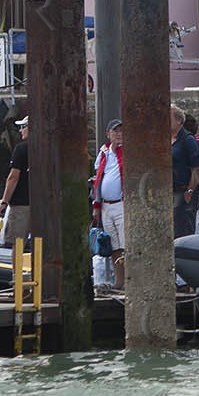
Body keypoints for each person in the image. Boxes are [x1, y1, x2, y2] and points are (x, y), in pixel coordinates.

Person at [92, 119, 127, 286]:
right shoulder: (103, 153)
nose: (119, 134)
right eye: (115, 131)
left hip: (121, 203)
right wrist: (96, 205)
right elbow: (98, 179)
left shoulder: (127, 152)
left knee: (125, 243)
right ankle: (119, 281)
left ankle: (128, 280)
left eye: (121, 131)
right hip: (106, 205)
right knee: (114, 245)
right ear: (108, 134)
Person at [0, 116, 31, 246]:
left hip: (21, 204)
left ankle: (17, 266)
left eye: (23, 127)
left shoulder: (21, 149)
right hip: (44, 204)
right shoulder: (48, 148)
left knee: (15, 244)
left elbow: (13, 177)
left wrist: (4, 202)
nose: (20, 131)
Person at [171, 105, 199, 238]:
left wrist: (190, 190)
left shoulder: (187, 140)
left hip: (182, 191)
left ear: (179, 121)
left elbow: (198, 168)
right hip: (171, 191)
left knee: (183, 230)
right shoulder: (168, 140)